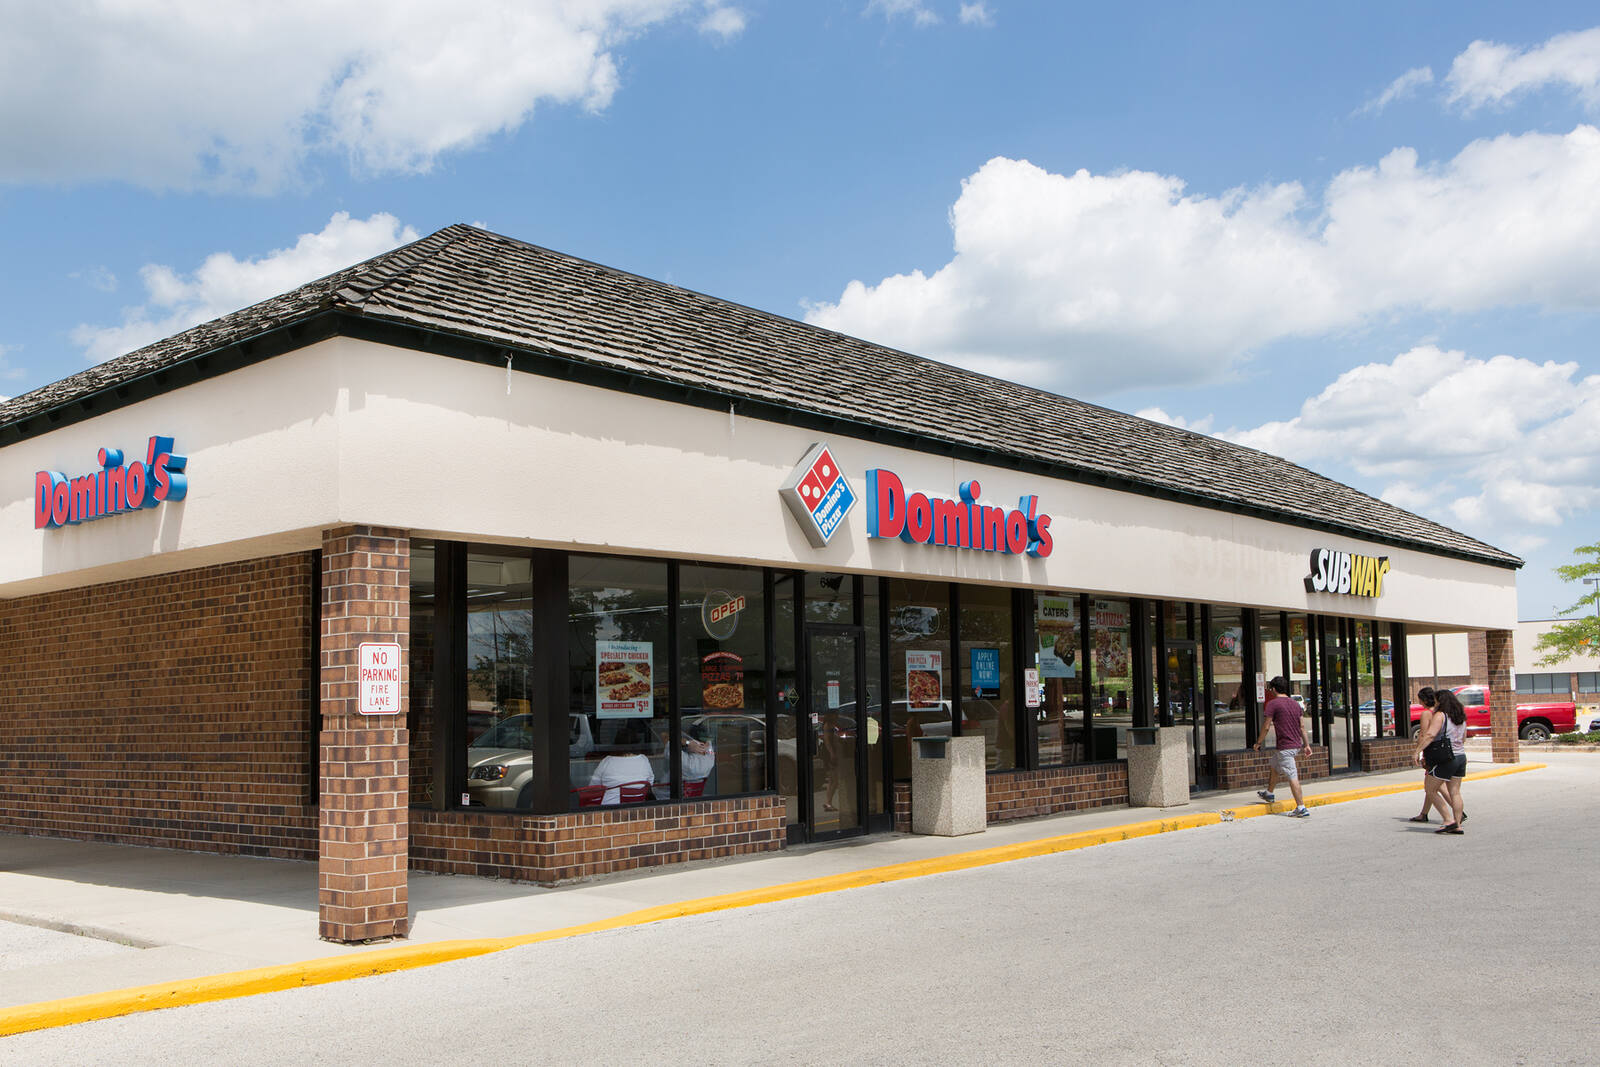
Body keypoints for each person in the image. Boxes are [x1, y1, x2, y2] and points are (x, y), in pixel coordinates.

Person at [1253, 676, 1311, 817]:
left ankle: (1301, 807)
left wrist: (1258, 743)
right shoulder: (1295, 704)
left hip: (1285, 747)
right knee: (1274, 764)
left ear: (1273, 689)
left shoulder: (1273, 704)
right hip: (1295, 745)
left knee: (1292, 776)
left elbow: (1266, 726)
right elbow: (1302, 727)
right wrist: (1307, 745)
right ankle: (1269, 793)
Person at [1414, 688, 1467, 834]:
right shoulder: (1460, 717)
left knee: (1430, 789)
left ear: (1441, 701)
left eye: (1437, 700)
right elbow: (1463, 738)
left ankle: (1448, 820)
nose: (1435, 703)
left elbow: (1430, 735)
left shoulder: (1440, 715)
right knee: (1455, 792)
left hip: (1447, 757)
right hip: (1461, 756)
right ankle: (1458, 824)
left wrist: (1418, 751)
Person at [590, 723, 655, 805]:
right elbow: (650, 782)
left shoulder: (607, 761)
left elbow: (593, 787)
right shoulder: (643, 759)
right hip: (637, 807)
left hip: (609, 807)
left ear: (616, 744)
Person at [681, 722, 716, 789]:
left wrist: (687, 742)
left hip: (667, 791)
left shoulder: (688, 762)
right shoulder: (710, 759)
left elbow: (667, 740)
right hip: (694, 793)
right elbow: (709, 746)